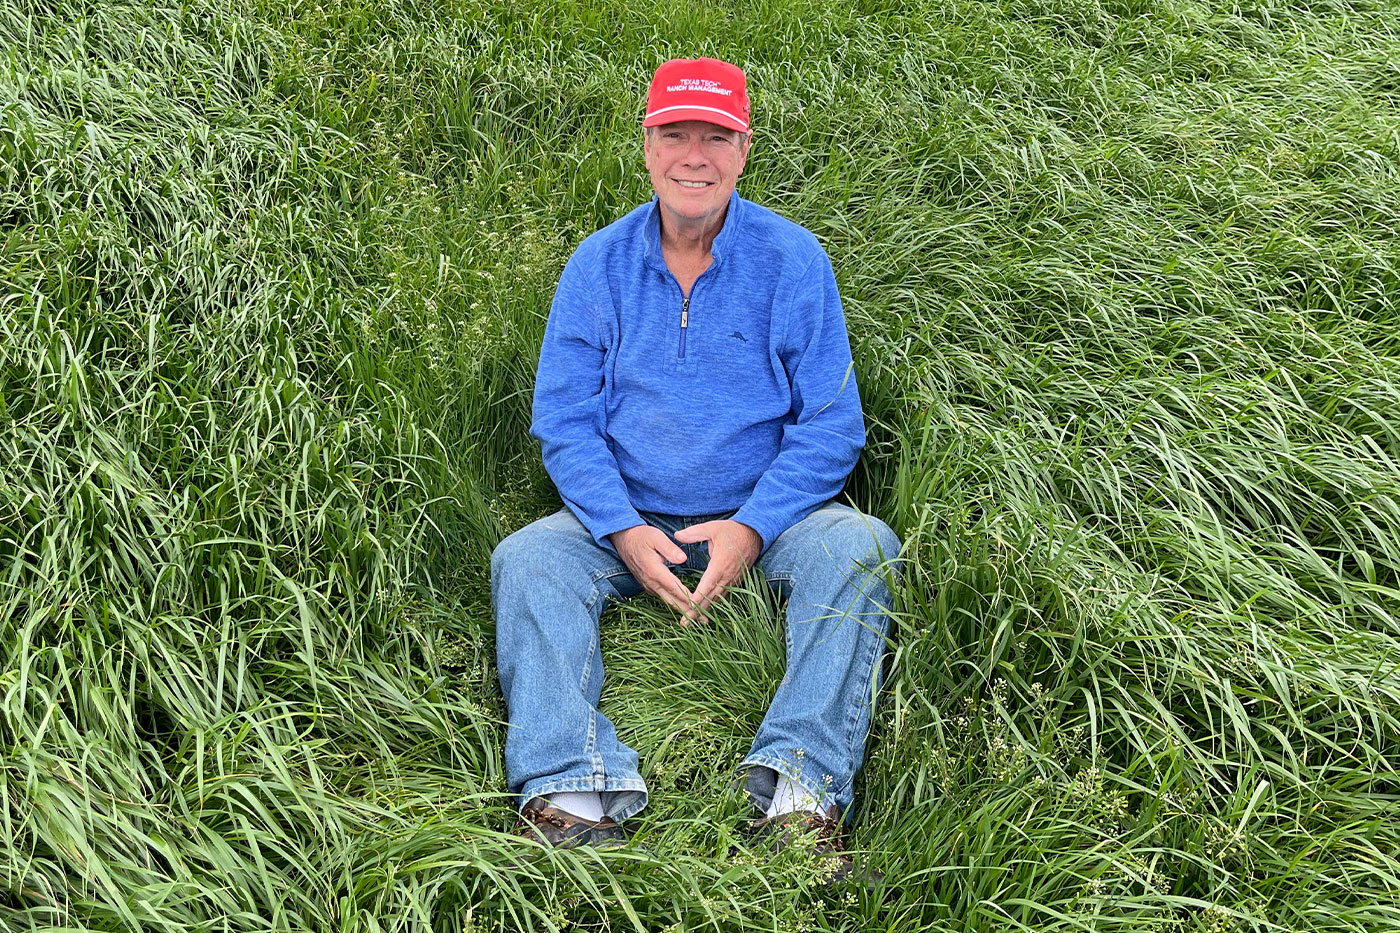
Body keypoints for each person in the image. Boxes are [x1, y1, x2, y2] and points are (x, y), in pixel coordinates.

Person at [491, 57, 901, 881]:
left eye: (715, 136)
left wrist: (753, 527)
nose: (694, 155)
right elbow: (565, 421)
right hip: (625, 517)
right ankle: (576, 790)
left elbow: (831, 423)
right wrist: (621, 528)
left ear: (743, 150)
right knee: (525, 558)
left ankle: (799, 793)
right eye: (675, 133)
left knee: (862, 545)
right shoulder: (596, 265)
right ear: (646, 146)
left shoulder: (794, 260)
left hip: (765, 515)